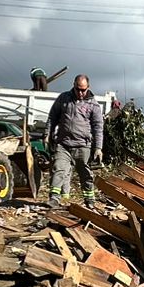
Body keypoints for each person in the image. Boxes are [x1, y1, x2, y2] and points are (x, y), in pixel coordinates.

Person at [47, 74, 104, 206]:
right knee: (58, 169)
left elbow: (98, 127)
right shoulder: (64, 98)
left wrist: (98, 148)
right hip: (63, 144)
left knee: (85, 173)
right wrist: (47, 134)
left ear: (88, 88)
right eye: (78, 89)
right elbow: (52, 117)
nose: (80, 93)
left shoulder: (93, 105)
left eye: (83, 90)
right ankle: (54, 199)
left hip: (82, 146)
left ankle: (89, 200)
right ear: (73, 85)